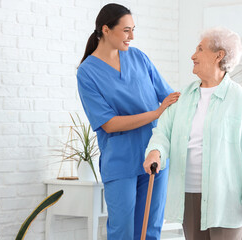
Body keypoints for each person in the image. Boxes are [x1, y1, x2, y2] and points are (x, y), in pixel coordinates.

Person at [144, 27, 242, 240]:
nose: (193, 55)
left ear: (218, 55)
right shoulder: (182, 97)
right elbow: (163, 132)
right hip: (188, 194)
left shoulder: (239, 99)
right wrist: (155, 152)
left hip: (225, 198)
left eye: (200, 49)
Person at [77, 3, 180, 240]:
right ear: (105, 29)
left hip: (154, 154)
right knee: (123, 231)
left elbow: (169, 98)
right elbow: (109, 124)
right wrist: (156, 113)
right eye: (126, 30)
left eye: (133, 29)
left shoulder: (139, 58)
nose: (132, 36)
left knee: (150, 229)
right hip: (120, 162)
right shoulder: (87, 72)